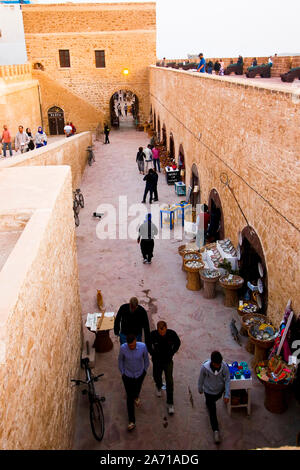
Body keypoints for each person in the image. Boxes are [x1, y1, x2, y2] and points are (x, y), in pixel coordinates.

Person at [148, 321, 181, 415]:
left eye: (163, 331)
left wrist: (172, 352)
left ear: (166, 328)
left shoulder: (172, 334)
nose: (162, 333)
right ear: (157, 329)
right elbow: (148, 344)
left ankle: (170, 403)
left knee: (169, 381)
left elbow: (178, 343)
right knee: (156, 376)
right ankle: (158, 386)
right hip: (157, 361)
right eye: (160, 332)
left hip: (168, 361)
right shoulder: (153, 334)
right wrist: (152, 353)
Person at [118, 333, 149, 431]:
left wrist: (144, 370)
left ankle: (136, 396)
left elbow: (146, 359)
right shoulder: (123, 348)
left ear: (136, 340)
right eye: (129, 345)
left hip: (140, 374)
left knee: (137, 388)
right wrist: (122, 373)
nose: (131, 347)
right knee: (129, 397)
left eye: (133, 345)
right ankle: (132, 421)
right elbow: (120, 360)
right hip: (127, 375)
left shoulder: (142, 347)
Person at [198, 351, 230, 444]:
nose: (218, 366)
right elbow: (201, 379)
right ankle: (215, 430)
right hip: (208, 392)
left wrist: (227, 394)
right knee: (212, 412)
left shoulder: (224, 367)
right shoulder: (204, 368)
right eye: (217, 365)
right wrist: (200, 388)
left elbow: (227, 379)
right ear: (212, 363)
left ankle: (208, 403)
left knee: (211, 404)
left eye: (219, 364)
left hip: (219, 391)